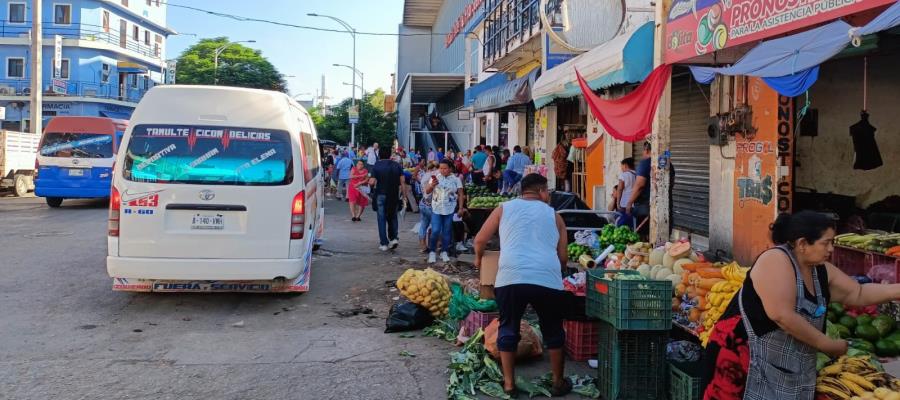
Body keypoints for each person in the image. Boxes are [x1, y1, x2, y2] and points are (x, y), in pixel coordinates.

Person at [703, 211, 900, 400]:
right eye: (826, 243)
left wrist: (896, 290)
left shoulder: (820, 271)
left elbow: (858, 293)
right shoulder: (776, 260)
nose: (831, 249)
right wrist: (827, 344)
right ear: (802, 244)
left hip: (786, 366)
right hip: (741, 358)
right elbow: (782, 315)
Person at [473, 174, 571, 398]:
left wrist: (479, 259)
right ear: (542, 191)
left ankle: (509, 385)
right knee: (553, 330)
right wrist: (557, 268)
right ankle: (558, 382)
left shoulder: (503, 208)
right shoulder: (555, 216)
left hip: (511, 277)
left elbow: (479, 240)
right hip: (547, 278)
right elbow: (563, 257)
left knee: (508, 328)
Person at [425, 159, 465, 264]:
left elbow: (461, 194)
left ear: (450, 168)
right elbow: (427, 191)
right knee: (435, 230)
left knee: (447, 232)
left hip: (449, 209)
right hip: (436, 208)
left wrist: (461, 208)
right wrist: (432, 185)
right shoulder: (435, 177)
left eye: (445, 168)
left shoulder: (456, 180)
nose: (442, 170)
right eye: (440, 168)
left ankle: (444, 252)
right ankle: (432, 252)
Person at [369, 146, 404, 251]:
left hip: (381, 194)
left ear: (379, 155)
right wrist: (404, 196)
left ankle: (384, 243)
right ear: (390, 154)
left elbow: (372, 182)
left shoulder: (377, 166)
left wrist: (370, 184)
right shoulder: (397, 165)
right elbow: (402, 182)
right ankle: (394, 238)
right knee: (393, 216)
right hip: (394, 195)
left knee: (381, 218)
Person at [625, 141, 651, 236]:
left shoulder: (645, 163)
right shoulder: (669, 164)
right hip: (665, 211)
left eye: (643, 151)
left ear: (646, 150)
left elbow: (639, 185)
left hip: (644, 209)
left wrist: (629, 202)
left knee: (642, 241)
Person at [417, 162, 437, 253]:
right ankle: (433, 246)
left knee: (423, 225)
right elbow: (429, 189)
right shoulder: (433, 176)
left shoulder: (424, 176)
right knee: (435, 226)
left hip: (423, 203)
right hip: (431, 205)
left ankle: (423, 246)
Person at [613, 157, 637, 227]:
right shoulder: (637, 175)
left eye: (622, 167)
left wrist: (618, 203)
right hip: (635, 204)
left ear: (625, 165)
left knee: (621, 225)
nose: (621, 169)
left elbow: (620, 189)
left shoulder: (624, 175)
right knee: (632, 225)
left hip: (624, 205)